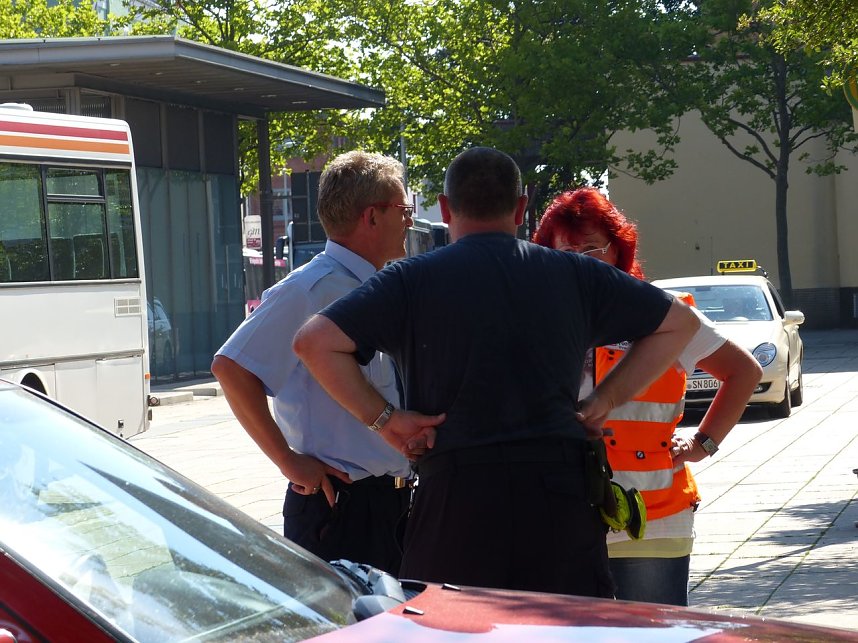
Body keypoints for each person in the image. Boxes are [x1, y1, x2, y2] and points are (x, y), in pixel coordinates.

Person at [292, 146, 701, 597]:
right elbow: (680, 323)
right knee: (564, 633)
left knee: (453, 629)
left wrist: (386, 420)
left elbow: (314, 343)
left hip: (455, 497)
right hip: (557, 497)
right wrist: (603, 401)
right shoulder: (575, 274)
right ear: (521, 207)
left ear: (446, 210)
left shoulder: (409, 281)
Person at [532, 187, 762, 605]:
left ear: (618, 249)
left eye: (590, 249)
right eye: (563, 251)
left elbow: (744, 371)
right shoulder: (535, 323)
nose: (578, 263)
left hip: (653, 517)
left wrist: (703, 443)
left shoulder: (665, 314)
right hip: (563, 514)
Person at [211, 151, 418, 575]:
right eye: (403, 209)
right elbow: (231, 368)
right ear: (372, 217)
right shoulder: (310, 289)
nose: (410, 221)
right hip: (341, 509)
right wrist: (288, 460)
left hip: (395, 504)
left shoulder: (378, 286)